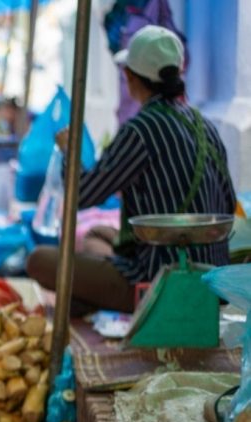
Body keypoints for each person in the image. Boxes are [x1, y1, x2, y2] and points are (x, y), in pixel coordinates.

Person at [26, 25, 236, 314]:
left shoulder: (141, 129)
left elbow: (83, 194)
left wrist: (68, 153)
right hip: (212, 277)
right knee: (97, 234)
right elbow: (227, 202)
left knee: (38, 260)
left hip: (159, 280)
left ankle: (104, 300)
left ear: (129, 77)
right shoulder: (205, 125)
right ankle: (90, 297)